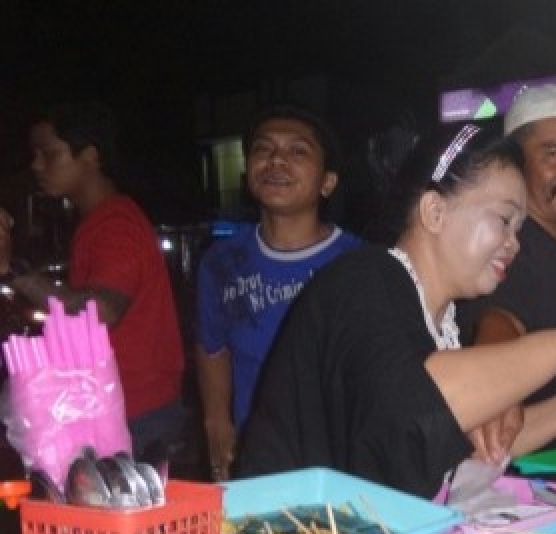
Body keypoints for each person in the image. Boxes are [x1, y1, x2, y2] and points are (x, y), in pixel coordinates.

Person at [237, 123, 556, 498]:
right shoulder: (362, 281)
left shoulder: (438, 324)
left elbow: (458, 442)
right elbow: (417, 407)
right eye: (503, 220)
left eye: (518, 229)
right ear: (434, 211)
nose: (513, 244)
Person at [194, 106, 360, 481]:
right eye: (263, 150)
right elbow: (211, 345)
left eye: (298, 152)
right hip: (257, 452)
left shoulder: (358, 262)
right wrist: (217, 426)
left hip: (338, 454)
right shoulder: (222, 262)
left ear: (327, 182)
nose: (276, 160)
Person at [18, 102, 184, 458]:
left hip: (137, 413)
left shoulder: (115, 224)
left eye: (49, 154)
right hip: (128, 407)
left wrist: (13, 275)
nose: (36, 165)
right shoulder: (99, 221)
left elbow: (103, 309)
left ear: (89, 156)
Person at [458, 84, 556, 462]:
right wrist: (493, 394)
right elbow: (498, 321)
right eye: (554, 153)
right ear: (517, 166)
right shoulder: (515, 248)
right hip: (521, 484)